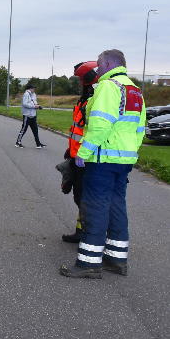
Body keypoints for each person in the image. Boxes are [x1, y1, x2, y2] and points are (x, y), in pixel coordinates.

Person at [60, 49, 146, 278]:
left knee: (95, 207)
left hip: (102, 158)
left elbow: (100, 124)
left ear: (108, 63)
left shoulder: (108, 87)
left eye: (99, 65)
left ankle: (89, 264)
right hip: (124, 159)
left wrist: (84, 153)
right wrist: (129, 153)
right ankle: (116, 260)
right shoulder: (134, 90)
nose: (97, 70)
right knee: (116, 205)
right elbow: (140, 129)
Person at [60, 61, 99, 243]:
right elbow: (78, 129)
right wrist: (71, 149)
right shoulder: (84, 99)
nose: (78, 84)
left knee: (85, 198)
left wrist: (82, 152)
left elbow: (94, 131)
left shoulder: (95, 100)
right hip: (77, 155)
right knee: (78, 196)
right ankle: (80, 231)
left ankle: (90, 234)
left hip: (87, 158)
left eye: (80, 80)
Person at [15, 84, 46, 148]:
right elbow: (25, 104)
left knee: (35, 130)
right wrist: (34, 106)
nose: (34, 89)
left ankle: (38, 144)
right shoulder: (26, 94)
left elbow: (34, 102)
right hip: (27, 115)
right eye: (33, 88)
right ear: (29, 88)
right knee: (23, 129)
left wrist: (38, 106)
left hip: (33, 115)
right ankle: (18, 142)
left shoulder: (34, 94)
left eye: (34, 88)